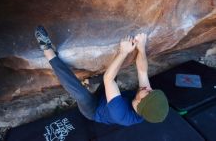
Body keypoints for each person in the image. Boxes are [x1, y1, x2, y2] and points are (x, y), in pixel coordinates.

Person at [35, 25, 169, 126]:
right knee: (114, 76)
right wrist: (142, 48)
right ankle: (88, 81)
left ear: (141, 103)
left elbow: (108, 79)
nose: (148, 88)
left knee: (81, 94)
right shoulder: (146, 97)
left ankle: (48, 51)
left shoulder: (121, 114)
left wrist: (123, 52)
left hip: (94, 110)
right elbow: (142, 71)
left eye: (148, 92)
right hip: (109, 98)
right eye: (152, 90)